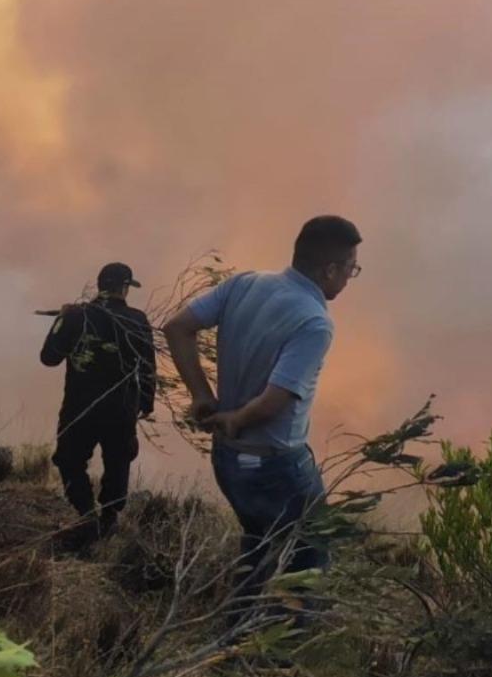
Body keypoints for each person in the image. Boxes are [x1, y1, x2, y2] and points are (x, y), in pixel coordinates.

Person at [163, 215, 361, 617]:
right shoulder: (314, 320)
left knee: (257, 545)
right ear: (330, 269)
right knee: (307, 557)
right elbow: (277, 398)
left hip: (227, 459)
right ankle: (279, 660)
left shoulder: (244, 283)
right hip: (275, 465)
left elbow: (178, 327)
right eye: (350, 269)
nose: (349, 277)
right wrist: (237, 417)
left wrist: (203, 397)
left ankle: (235, 642)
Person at [40, 262, 156, 543]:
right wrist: (144, 403)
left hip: (80, 408)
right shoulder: (138, 320)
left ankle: (85, 512)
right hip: (121, 409)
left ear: (100, 285)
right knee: (118, 463)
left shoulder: (76, 316)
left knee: (69, 459)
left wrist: (62, 319)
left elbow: (49, 357)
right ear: (125, 288)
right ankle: (107, 520)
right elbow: (148, 369)